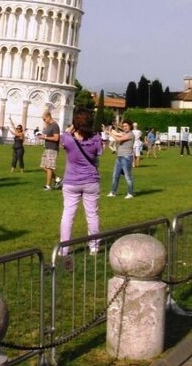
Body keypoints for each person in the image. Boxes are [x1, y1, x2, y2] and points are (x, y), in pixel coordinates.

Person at [59, 108, 103, 257]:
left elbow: (63, 141)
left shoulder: (68, 138)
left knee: (68, 215)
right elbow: (98, 154)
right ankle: (94, 246)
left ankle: (64, 248)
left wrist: (70, 130)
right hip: (91, 180)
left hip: (71, 181)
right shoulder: (96, 138)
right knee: (92, 214)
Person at [107, 119, 135, 198]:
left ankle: (130, 193)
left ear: (130, 126)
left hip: (126, 157)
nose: (124, 127)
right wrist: (109, 129)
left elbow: (118, 139)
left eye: (126, 126)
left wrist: (109, 133)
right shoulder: (124, 133)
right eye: (123, 126)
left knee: (127, 176)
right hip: (119, 157)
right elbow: (116, 133)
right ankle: (113, 192)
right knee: (115, 176)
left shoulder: (131, 134)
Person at [39, 111, 61, 190]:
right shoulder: (49, 126)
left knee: (49, 167)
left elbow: (56, 138)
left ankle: (48, 186)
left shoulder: (55, 126)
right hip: (47, 148)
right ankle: (57, 179)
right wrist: (42, 136)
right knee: (42, 166)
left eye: (44, 119)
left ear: (48, 117)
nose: (44, 121)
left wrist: (44, 137)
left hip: (52, 149)